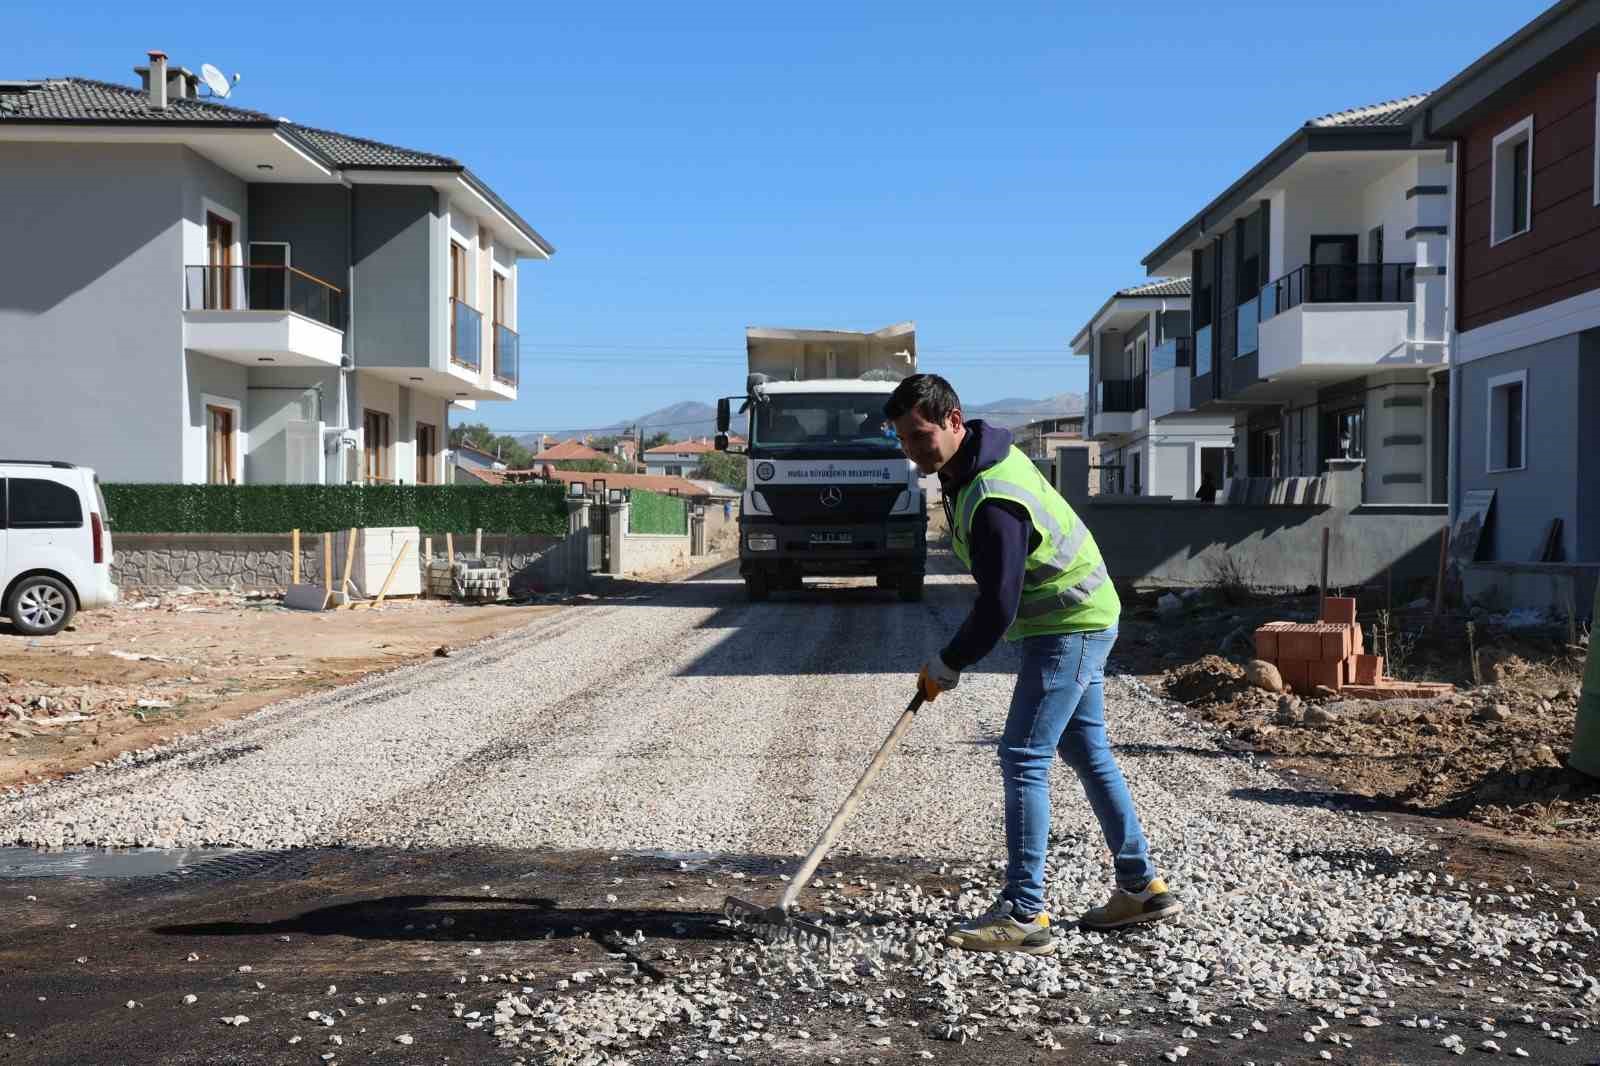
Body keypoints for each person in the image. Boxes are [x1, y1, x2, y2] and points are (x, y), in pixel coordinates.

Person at [885, 373, 1181, 954]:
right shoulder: (967, 467)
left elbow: (999, 603)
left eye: (919, 436)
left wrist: (948, 662)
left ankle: (1024, 912)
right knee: (1086, 751)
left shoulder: (994, 493)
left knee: (1023, 754)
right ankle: (1141, 886)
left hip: (1069, 624)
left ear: (953, 419)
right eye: (902, 440)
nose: (912, 450)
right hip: (1079, 617)